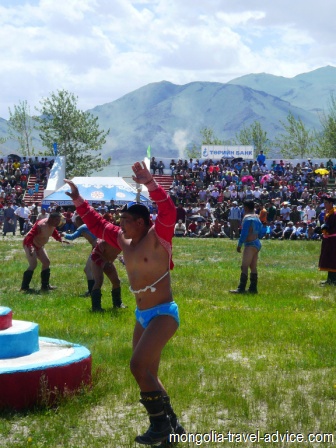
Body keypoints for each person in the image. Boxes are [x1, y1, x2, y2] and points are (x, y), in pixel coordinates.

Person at [64, 161, 185, 445]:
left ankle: (160, 427)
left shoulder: (159, 238)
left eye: (126, 221)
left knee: (137, 366)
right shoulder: (123, 239)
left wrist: (150, 183)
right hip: (142, 314)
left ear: (141, 222)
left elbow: (169, 211)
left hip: (163, 314)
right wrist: (79, 200)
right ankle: (172, 425)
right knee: (148, 373)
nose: (120, 226)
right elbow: (96, 224)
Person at [20, 211, 68, 292]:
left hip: (39, 245)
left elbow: (53, 231)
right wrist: (31, 247)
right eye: (56, 220)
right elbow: (30, 236)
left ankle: (45, 286)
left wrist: (59, 239)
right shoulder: (41, 225)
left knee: (46, 262)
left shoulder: (52, 225)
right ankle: (24, 287)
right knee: (33, 264)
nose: (58, 222)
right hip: (29, 244)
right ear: (51, 219)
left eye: (58, 220)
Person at [230, 200, 263, 294]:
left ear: (246, 208)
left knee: (244, 266)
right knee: (253, 266)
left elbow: (244, 233)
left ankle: (241, 288)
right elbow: (261, 230)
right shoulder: (257, 217)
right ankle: (253, 288)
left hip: (250, 244)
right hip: (257, 243)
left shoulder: (247, 218)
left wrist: (239, 245)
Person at [62, 215, 98, 297]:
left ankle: (92, 291)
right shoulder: (88, 225)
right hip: (98, 247)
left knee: (88, 269)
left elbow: (71, 237)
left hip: (97, 248)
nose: (74, 223)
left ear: (78, 221)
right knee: (91, 270)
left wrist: (64, 234)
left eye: (75, 221)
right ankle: (92, 290)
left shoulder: (82, 226)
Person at [318, 195, 336, 285]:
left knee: (333, 259)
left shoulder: (335, 213)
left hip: (334, 240)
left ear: (331, 203)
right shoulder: (329, 213)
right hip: (328, 239)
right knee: (329, 259)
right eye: (324, 202)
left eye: (326, 203)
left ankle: (334, 280)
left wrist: (328, 229)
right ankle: (330, 280)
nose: (324, 204)